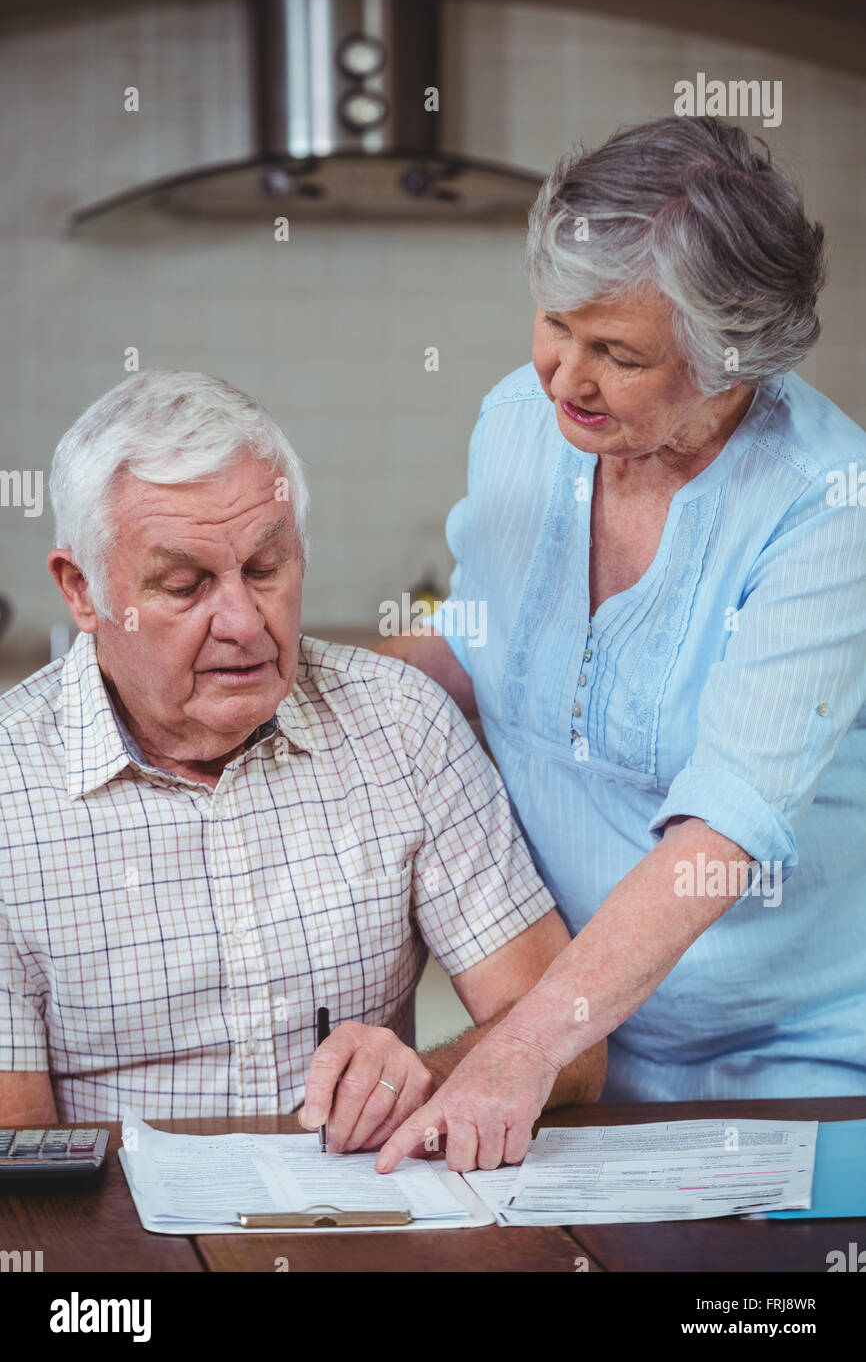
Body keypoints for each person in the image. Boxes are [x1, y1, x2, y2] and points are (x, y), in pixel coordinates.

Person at [374, 116, 866, 1176]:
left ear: (733, 356)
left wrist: (518, 1044)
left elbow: (720, 831)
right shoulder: (518, 420)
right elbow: (478, 649)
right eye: (554, 323)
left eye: (618, 354)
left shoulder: (827, 507)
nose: (563, 376)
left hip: (794, 1072)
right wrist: (303, 685)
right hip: (577, 1057)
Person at [0, 369, 605, 1135]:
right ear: (81, 590)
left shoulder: (402, 725)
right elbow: (19, 1169)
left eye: (265, 569)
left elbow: (572, 1041)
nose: (245, 623)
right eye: (184, 586)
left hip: (362, 1236)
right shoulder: (9, 790)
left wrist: (425, 1078)